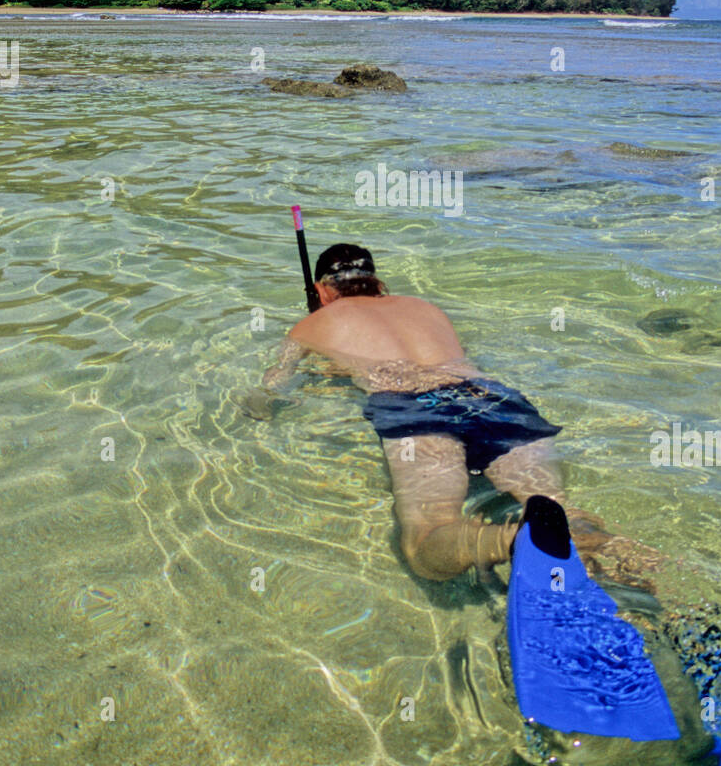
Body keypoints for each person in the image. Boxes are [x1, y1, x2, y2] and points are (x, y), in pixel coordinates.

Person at [255, 243, 660, 587]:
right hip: (492, 398)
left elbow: (271, 389)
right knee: (560, 507)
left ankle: (511, 541)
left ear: (321, 292)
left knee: (425, 544)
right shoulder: (424, 307)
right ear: (378, 284)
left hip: (413, 408)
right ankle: (624, 564)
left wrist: (265, 400)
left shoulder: (310, 325)